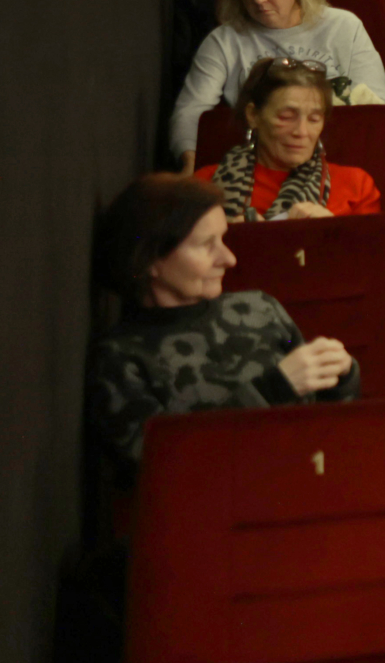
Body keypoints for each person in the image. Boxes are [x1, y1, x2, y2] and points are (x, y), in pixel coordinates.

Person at [86, 175, 357, 486]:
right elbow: (165, 470)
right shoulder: (121, 360)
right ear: (149, 259)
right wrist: (272, 391)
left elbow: (332, 420)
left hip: (316, 485)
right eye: (206, 245)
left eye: (223, 239)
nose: (229, 259)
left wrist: (341, 376)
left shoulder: (260, 309)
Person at [170, 0, 385, 166]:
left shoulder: (344, 26)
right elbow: (191, 110)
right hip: (255, 160)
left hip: (338, 156)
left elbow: (378, 107)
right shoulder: (224, 40)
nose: (258, 0)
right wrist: (190, 160)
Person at [195, 58, 384, 219]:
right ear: (253, 115)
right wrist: (229, 237)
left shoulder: (356, 185)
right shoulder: (204, 185)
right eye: (286, 117)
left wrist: (332, 231)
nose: (301, 131)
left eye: (314, 119)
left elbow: (370, 251)